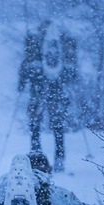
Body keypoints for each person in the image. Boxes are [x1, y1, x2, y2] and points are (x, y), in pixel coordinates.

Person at [18, 20, 77, 172]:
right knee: (57, 126)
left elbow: (25, 67)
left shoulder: (33, 45)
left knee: (35, 126)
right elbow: (71, 72)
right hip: (56, 90)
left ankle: (37, 160)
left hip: (37, 89)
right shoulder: (60, 44)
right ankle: (59, 159)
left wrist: (22, 83)